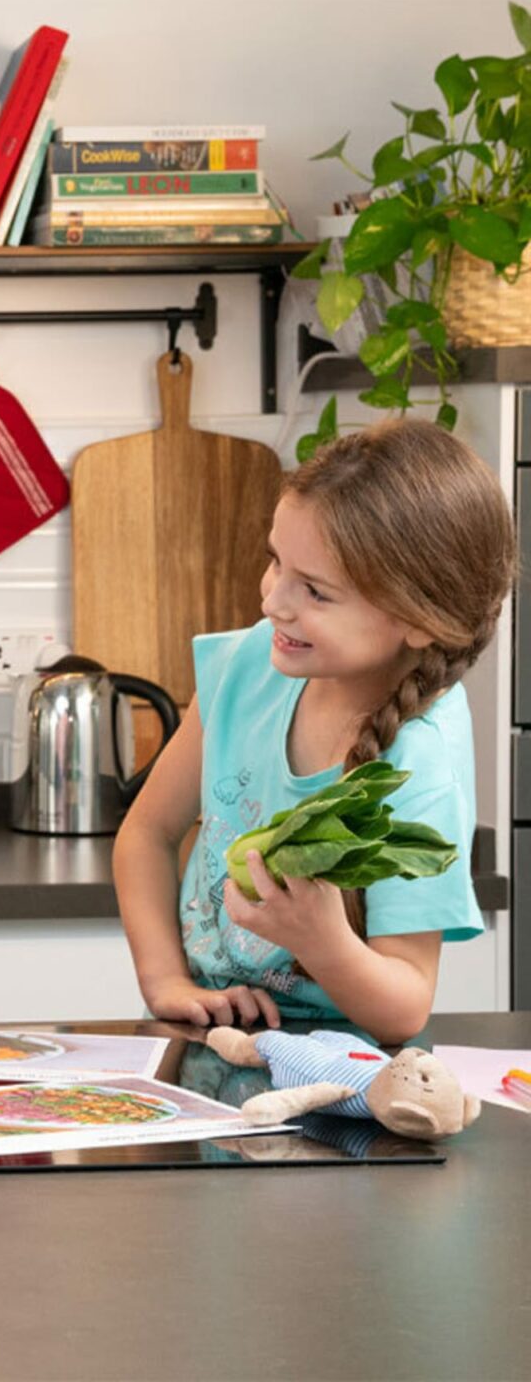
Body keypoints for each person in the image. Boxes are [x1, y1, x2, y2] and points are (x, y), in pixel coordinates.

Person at [116, 419, 515, 1043]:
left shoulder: (420, 767)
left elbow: (406, 1003)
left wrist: (321, 939)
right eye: (277, 562)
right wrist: (167, 983)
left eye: (317, 592)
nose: (274, 601)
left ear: (418, 619)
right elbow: (146, 832)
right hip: (211, 1039)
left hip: (339, 1075)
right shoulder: (246, 666)